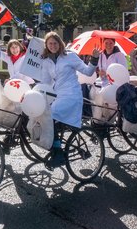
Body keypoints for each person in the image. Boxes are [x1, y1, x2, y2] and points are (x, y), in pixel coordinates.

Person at [37, 32, 99, 166]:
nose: (53, 46)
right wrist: (34, 91)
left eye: (55, 43)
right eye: (50, 43)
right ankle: (56, 147)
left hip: (72, 95)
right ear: (46, 45)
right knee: (45, 116)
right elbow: (45, 82)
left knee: (50, 116)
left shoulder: (69, 56)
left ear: (60, 44)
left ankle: (58, 154)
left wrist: (94, 59)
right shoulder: (46, 60)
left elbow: (88, 72)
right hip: (58, 95)